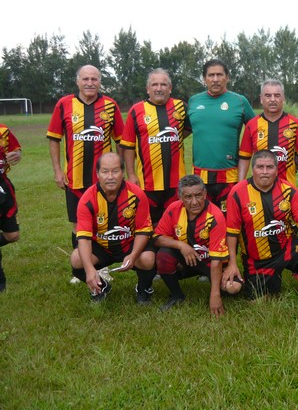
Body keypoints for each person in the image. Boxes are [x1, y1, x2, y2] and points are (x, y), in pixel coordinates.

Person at [222, 150, 298, 301]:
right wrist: (232, 263)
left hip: (286, 247)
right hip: (257, 258)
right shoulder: (237, 193)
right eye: (260, 167)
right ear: (252, 169)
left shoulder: (288, 190)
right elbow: (232, 232)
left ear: (276, 170)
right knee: (253, 299)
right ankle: (269, 278)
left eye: (269, 167)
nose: (264, 172)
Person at [47, 65, 124, 253]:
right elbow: (54, 138)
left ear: (100, 82)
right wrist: (58, 171)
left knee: (103, 221)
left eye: (94, 79)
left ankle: (101, 266)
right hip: (75, 178)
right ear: (78, 81)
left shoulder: (110, 105)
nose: (90, 83)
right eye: (85, 79)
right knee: (78, 223)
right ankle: (80, 264)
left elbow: (121, 141)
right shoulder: (64, 104)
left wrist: (120, 170)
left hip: (105, 178)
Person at [70, 153, 156, 304]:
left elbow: (143, 230)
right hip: (102, 246)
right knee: (77, 260)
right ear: (97, 174)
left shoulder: (136, 194)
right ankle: (101, 287)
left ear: (123, 173)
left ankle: (144, 289)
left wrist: (134, 254)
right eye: (105, 171)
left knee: (148, 259)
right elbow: (83, 238)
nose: (110, 176)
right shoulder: (87, 199)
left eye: (115, 171)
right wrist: (90, 270)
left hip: (129, 244)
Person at [153, 175, 242, 314]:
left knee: (233, 287)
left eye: (198, 195)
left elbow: (216, 261)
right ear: (180, 197)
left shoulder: (215, 216)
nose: (194, 202)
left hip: (209, 262)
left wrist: (215, 295)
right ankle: (177, 296)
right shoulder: (173, 209)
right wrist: (181, 246)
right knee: (163, 256)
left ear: (205, 194)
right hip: (187, 260)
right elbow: (157, 238)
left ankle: (215, 286)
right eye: (188, 197)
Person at [121, 69, 190, 224]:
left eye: (163, 84)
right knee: (147, 224)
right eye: (155, 84)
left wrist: (171, 139)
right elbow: (129, 146)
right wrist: (131, 175)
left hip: (176, 182)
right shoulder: (136, 110)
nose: (159, 88)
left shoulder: (181, 107)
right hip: (146, 183)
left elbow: (187, 130)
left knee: (176, 223)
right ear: (148, 89)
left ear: (170, 88)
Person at [186, 59, 255, 212]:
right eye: (211, 75)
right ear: (204, 79)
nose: (215, 79)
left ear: (227, 77)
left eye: (219, 75)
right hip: (200, 175)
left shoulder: (239, 101)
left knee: (230, 220)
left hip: (229, 175)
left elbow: (256, 130)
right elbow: (184, 130)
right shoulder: (194, 101)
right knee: (202, 220)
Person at [238, 79, 298, 200]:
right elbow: (245, 158)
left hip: (287, 188)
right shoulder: (252, 125)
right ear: (261, 99)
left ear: (283, 98)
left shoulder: (295, 124)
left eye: (277, 95)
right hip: (259, 187)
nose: (272, 99)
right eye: (268, 95)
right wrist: (240, 185)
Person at [0, 124, 22, 292]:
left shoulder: (3, 131)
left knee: (13, 235)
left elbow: (16, 151)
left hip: (3, 186)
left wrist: (16, 155)